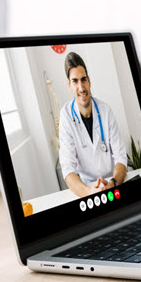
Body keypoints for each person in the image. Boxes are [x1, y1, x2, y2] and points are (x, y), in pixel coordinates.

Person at [58, 51, 127, 197]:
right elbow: (68, 168)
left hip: (112, 181)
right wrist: (90, 191)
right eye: (75, 81)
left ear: (89, 81)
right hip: (86, 186)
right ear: (69, 85)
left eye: (83, 80)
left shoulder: (105, 110)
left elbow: (121, 156)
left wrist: (113, 183)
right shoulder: (66, 116)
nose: (81, 87)